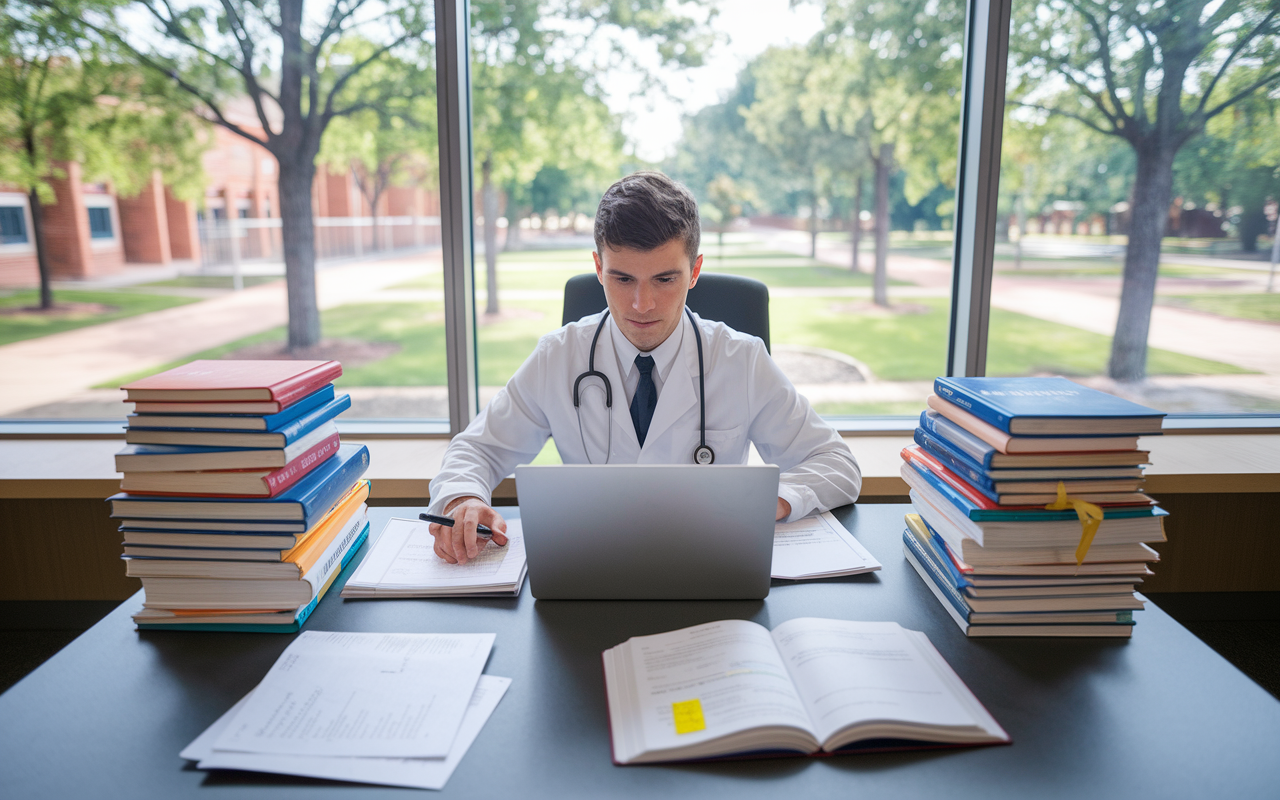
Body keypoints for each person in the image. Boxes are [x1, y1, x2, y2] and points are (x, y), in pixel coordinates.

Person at [426, 171, 861, 563]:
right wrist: (462, 500)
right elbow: (476, 449)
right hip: (592, 573)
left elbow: (836, 463)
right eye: (623, 278)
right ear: (598, 268)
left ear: (694, 272)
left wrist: (774, 501)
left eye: (665, 279)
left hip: (709, 574)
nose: (642, 304)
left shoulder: (741, 360)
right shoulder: (558, 357)